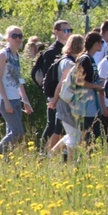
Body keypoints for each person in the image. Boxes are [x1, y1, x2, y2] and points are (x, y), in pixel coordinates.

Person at [0, 26, 33, 156]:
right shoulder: (3, 54)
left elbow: (18, 79)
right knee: (18, 132)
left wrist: (25, 100)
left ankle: (5, 159)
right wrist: (6, 102)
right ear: (8, 38)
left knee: (11, 132)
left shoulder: (16, 55)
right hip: (4, 98)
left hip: (15, 98)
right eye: (14, 36)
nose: (18, 38)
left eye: (20, 36)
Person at [48, 34, 84, 158]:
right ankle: (69, 162)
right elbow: (61, 85)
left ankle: (51, 155)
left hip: (64, 101)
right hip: (65, 102)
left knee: (71, 134)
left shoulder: (65, 60)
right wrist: (54, 101)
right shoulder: (69, 64)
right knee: (75, 136)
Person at [40, 20, 73, 151]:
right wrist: (54, 98)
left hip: (63, 94)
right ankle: (43, 152)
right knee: (53, 126)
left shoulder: (68, 51)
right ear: (56, 31)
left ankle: (58, 153)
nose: (68, 33)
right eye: (65, 30)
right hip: (55, 95)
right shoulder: (51, 52)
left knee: (60, 127)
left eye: (70, 30)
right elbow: (49, 77)